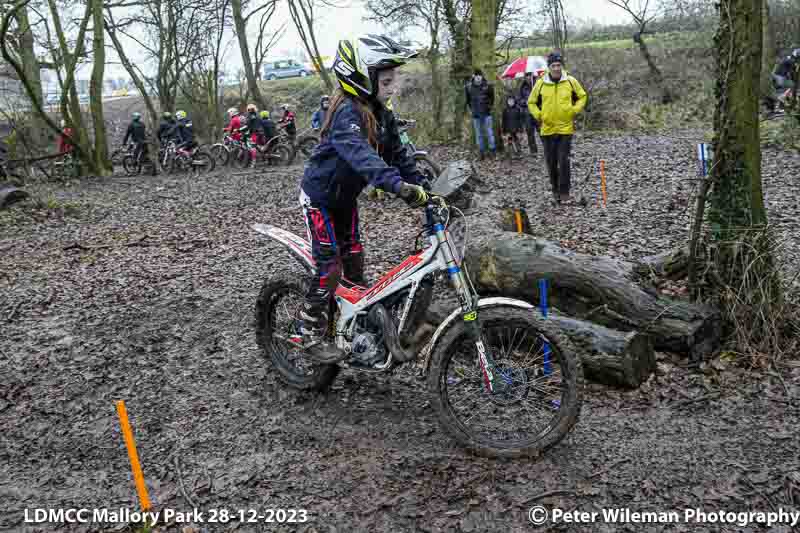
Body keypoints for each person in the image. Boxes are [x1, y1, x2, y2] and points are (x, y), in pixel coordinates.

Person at [297, 34, 430, 361]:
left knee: (355, 263)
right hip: (320, 199)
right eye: (385, 80)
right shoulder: (345, 113)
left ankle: (353, 325)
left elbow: (400, 156)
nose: (392, 86)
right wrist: (397, 187)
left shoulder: (380, 113)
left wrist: (429, 192)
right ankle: (307, 330)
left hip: (345, 200)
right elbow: (363, 158)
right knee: (330, 267)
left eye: (393, 79)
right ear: (361, 77)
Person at [528, 51, 587, 205]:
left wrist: (574, 110)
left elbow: (582, 96)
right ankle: (555, 191)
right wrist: (539, 115)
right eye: (553, 65)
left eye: (558, 65)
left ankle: (565, 192)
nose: (556, 68)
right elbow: (531, 102)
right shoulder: (540, 83)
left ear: (562, 66)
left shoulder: (570, 81)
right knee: (551, 162)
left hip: (565, 129)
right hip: (547, 129)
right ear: (549, 67)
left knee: (564, 161)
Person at [465, 68, 496, 160]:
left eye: (480, 75)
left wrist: (489, 107)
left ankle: (492, 151)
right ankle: (481, 153)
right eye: (476, 75)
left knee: (489, 133)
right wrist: (472, 110)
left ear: (482, 76)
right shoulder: (469, 87)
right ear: (474, 76)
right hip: (476, 114)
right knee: (479, 134)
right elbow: (468, 101)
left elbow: (492, 98)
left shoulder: (488, 85)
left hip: (486, 113)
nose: (478, 77)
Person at [517, 72, 539, 155]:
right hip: (527, 113)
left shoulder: (537, 84)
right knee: (530, 132)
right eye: (526, 76)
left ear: (532, 75)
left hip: (537, 111)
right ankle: (533, 151)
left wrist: (537, 100)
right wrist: (525, 102)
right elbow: (518, 99)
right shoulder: (522, 87)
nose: (528, 77)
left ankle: (547, 148)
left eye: (529, 75)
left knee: (541, 130)